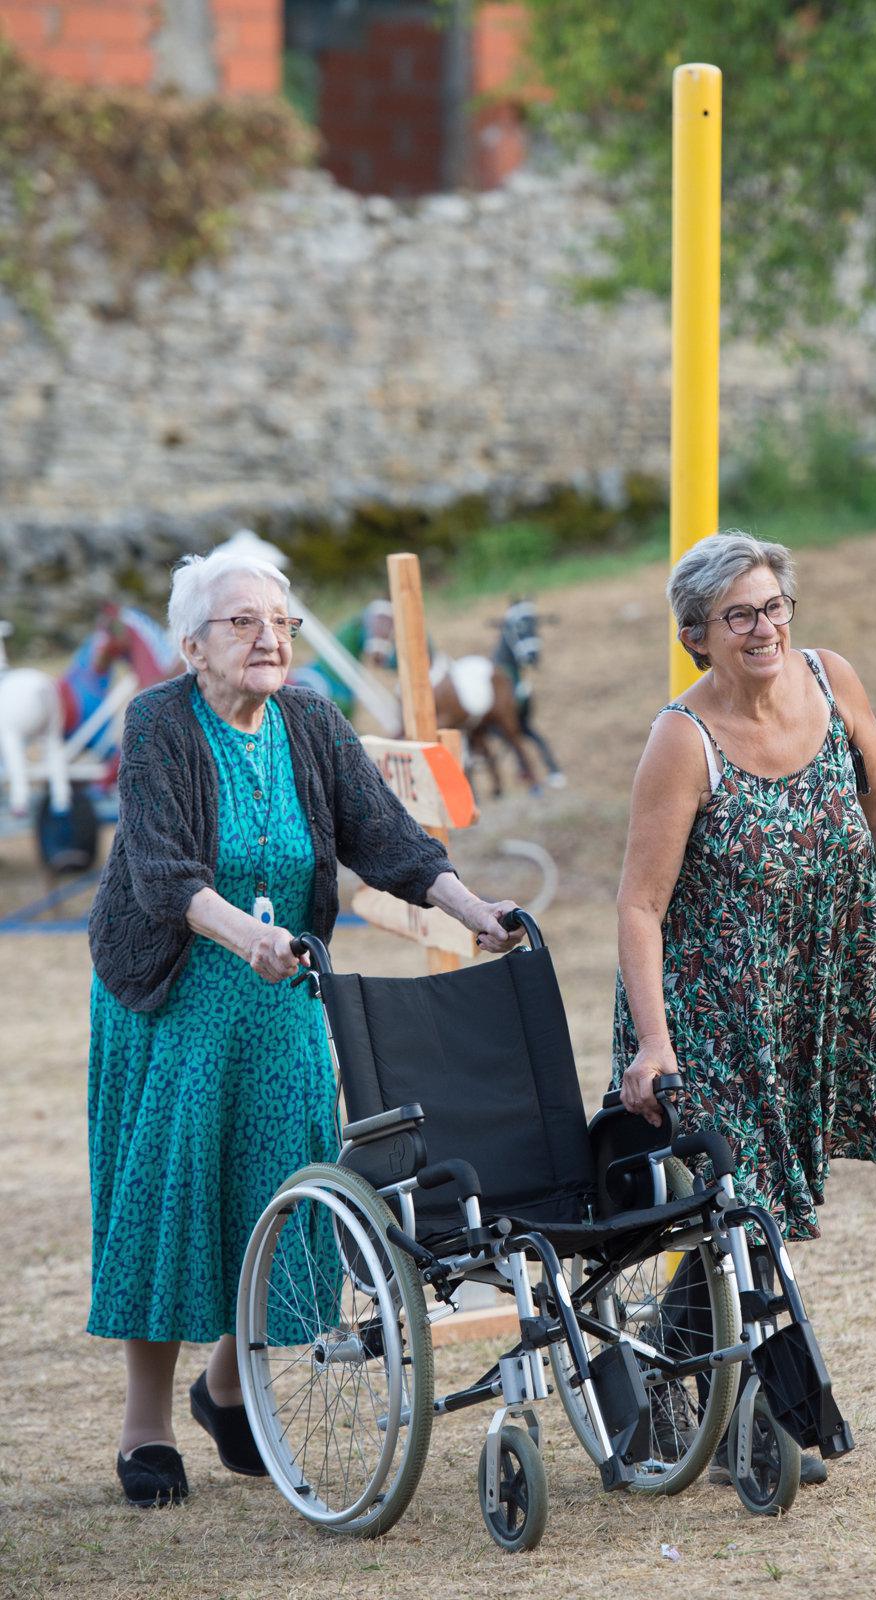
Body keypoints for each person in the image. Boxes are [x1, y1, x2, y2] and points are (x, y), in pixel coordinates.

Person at [87, 548, 521, 1509]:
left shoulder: (311, 720)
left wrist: (474, 909)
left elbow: (388, 840)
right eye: (242, 622)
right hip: (174, 989)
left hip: (281, 989)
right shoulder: (159, 722)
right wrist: (249, 937)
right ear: (192, 645)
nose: (269, 638)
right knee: (174, 1195)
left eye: (279, 621)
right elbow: (161, 874)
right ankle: (145, 1425)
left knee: (288, 1184)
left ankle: (226, 1386)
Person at [613, 532, 876, 1476]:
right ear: (696, 637)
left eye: (772, 607)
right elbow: (638, 906)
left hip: (808, 991)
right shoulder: (682, 740)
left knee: (755, 1204)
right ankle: (764, 1423)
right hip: (707, 1012)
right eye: (738, 617)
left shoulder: (832, 683)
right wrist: (652, 1044)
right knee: (746, 1203)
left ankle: (664, 1371)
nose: (763, 629)